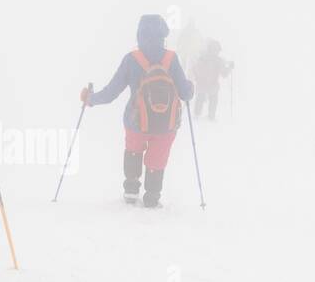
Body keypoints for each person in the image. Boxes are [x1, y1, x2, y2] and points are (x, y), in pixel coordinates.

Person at [81, 14, 194, 207]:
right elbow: (185, 93)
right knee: (157, 158)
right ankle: (152, 197)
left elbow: (110, 93)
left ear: (139, 34)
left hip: (135, 121)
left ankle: (131, 192)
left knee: (133, 151)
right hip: (166, 125)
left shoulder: (132, 59)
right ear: (163, 34)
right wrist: (190, 88)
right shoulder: (171, 58)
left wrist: (90, 99)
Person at [192, 38, 234, 121]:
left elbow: (195, 69)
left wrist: (197, 78)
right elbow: (224, 74)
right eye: (217, 50)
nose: (217, 52)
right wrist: (230, 68)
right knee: (213, 100)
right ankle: (210, 116)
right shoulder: (218, 60)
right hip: (212, 85)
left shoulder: (202, 58)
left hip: (202, 84)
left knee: (201, 98)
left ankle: (197, 115)